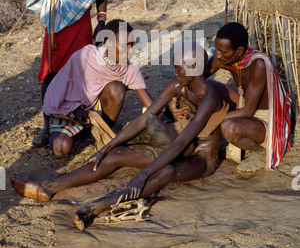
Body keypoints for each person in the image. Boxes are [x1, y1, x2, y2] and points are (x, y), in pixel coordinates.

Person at [11, 42, 230, 224]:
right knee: (114, 155)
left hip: (198, 159)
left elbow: (180, 144)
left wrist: (141, 175)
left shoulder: (209, 99)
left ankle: (97, 207)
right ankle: (49, 187)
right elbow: (145, 118)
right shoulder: (179, 84)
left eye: (179, 69)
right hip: (177, 145)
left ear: (194, 67)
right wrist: (106, 148)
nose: (175, 73)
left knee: (164, 172)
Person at [26, 0, 113, 147]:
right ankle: (46, 126)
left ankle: (77, 123)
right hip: (56, 22)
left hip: (81, 22)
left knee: (80, 73)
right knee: (51, 73)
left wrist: (102, 22)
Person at [38, 19, 153, 158]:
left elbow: (150, 104)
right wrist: (76, 109)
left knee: (116, 88)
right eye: (125, 45)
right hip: (69, 109)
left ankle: (101, 132)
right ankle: (69, 132)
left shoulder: (129, 69)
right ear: (108, 42)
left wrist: (166, 119)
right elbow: (60, 89)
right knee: (60, 148)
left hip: (95, 112)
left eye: (131, 45)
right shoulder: (85, 56)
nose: (130, 51)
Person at [204, 21, 292, 175]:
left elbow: (248, 110)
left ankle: (260, 153)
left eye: (223, 51)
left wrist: (212, 118)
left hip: (265, 120)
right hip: (244, 106)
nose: (218, 55)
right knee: (208, 86)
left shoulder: (259, 64)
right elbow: (196, 79)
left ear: (239, 51)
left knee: (228, 127)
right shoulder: (224, 58)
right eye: (217, 49)